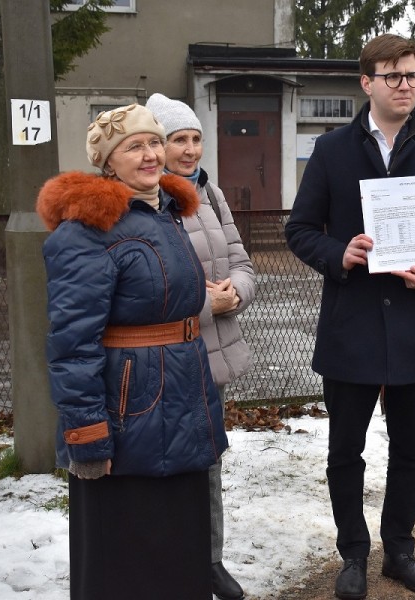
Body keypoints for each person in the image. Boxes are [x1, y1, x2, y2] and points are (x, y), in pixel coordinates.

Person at [284, 34, 415, 599]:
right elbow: (300, 230)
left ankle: (400, 550)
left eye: (412, 75)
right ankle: (353, 554)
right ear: (366, 82)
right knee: (345, 450)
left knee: (410, 448)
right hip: (352, 328)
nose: (406, 86)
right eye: (393, 76)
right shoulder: (332, 151)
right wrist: (337, 255)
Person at [36, 103, 228, 600]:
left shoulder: (166, 213)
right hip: (129, 414)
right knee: (127, 556)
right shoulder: (86, 230)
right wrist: (87, 434)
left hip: (184, 397)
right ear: (107, 162)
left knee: (179, 546)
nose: (150, 155)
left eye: (154, 143)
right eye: (133, 146)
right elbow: (72, 344)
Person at [146, 92, 255, 600]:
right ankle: (172, 559)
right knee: (168, 464)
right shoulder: (146, 202)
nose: (190, 151)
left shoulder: (210, 194)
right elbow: (145, 290)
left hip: (214, 356)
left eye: (195, 139)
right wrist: (203, 304)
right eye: (178, 140)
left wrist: (236, 292)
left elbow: (241, 260)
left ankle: (210, 560)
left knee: (209, 461)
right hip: (167, 357)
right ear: (155, 146)